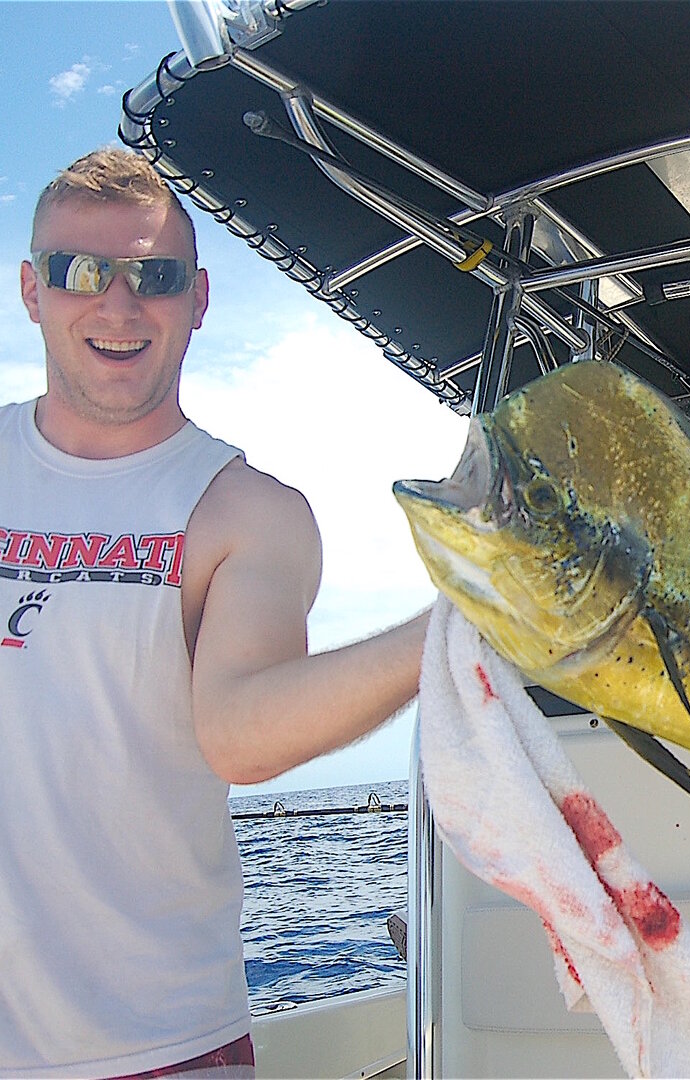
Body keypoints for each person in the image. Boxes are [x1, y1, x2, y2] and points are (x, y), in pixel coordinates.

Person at [0, 149, 429, 1078]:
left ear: (197, 300)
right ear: (33, 292)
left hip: (164, 1043)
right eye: (80, 272)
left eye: (153, 277)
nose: (119, 306)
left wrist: (457, 627)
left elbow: (243, 735)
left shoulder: (249, 513)